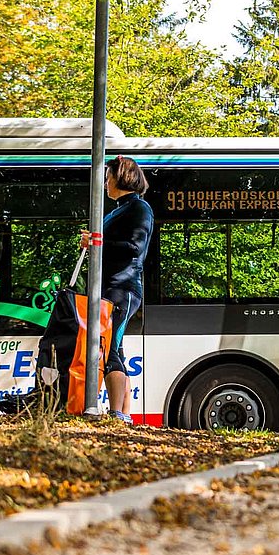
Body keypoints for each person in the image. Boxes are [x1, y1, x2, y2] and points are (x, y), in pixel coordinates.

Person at [82, 156, 153, 423]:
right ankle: (124, 414)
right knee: (117, 349)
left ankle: (117, 414)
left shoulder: (140, 208)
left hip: (123, 288)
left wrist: (98, 241)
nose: (105, 183)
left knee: (109, 349)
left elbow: (135, 248)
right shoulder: (118, 210)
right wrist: (94, 243)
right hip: (111, 287)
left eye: (108, 177)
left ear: (121, 177)